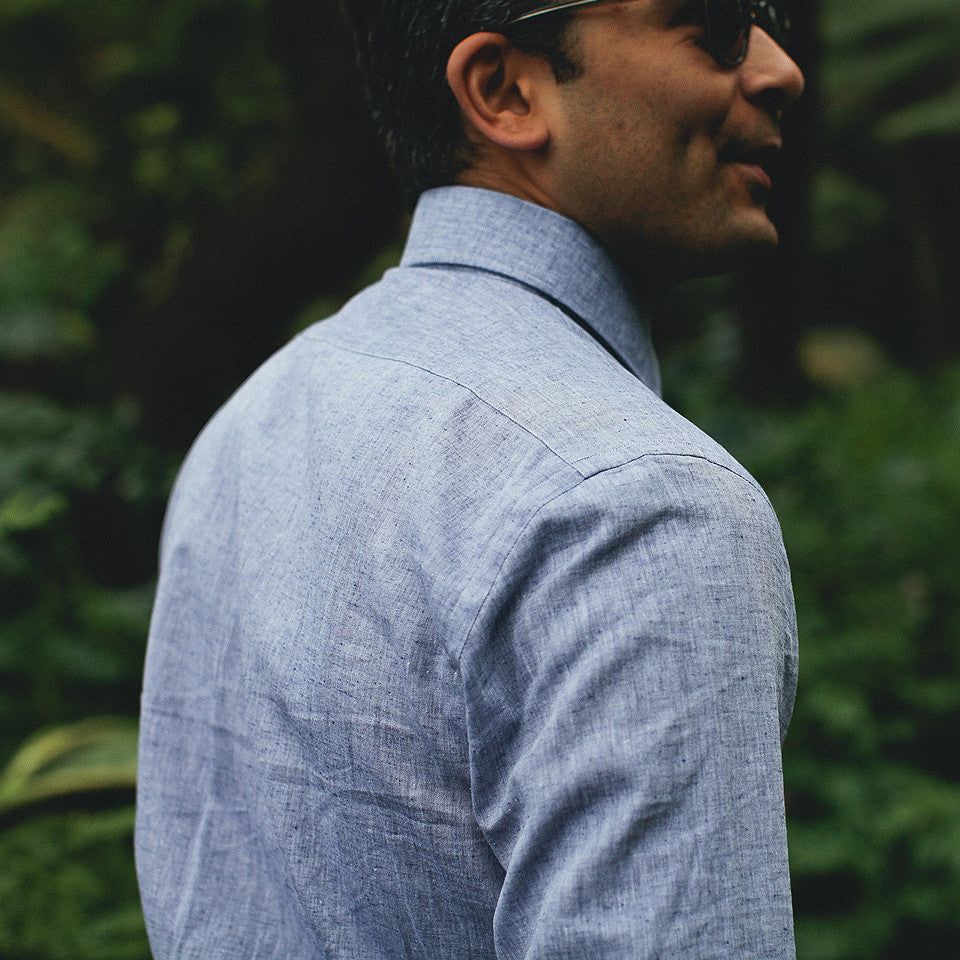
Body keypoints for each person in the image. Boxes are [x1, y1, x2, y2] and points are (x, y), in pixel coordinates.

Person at [135, 0, 805, 956]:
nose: (781, 68)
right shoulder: (642, 506)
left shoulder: (259, 415)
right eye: (716, 23)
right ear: (504, 91)